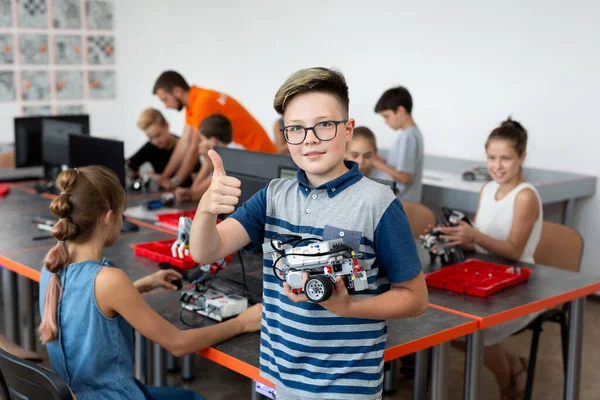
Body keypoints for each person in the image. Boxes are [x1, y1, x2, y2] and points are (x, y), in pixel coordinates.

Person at [188, 67, 428, 399]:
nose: (309, 138)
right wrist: (205, 210)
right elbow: (205, 251)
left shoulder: (378, 203)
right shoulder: (273, 197)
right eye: (296, 129)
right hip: (279, 377)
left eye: (324, 125)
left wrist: (348, 308)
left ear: (347, 130)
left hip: (345, 387)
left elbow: (416, 298)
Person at [38, 166, 262, 400]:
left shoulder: (51, 266)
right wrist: (241, 323)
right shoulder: (108, 281)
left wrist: (139, 286)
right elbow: (179, 344)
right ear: (108, 217)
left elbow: (83, 310)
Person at [438, 117, 542, 399]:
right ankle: (512, 368)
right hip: (485, 276)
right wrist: (455, 236)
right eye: (491, 157)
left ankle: (509, 380)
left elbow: (513, 251)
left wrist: (474, 236)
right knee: (443, 326)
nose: (496, 165)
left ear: (521, 157)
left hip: (518, 285)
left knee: (472, 334)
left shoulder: (525, 196)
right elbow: (482, 242)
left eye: (505, 158)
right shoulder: (488, 189)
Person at [152, 71, 276, 190]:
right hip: (252, 158)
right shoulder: (194, 103)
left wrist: (175, 182)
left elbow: (193, 147)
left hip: (258, 160)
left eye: (165, 99)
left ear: (177, 91)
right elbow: (184, 142)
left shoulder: (202, 102)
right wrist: (165, 177)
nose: (166, 106)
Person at [175, 114, 244, 202]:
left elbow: (195, 193)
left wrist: (207, 161)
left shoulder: (227, 159)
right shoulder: (237, 150)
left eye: (201, 140)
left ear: (213, 141)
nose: (199, 144)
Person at [373, 86, 424, 203]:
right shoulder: (412, 133)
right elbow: (401, 166)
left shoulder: (408, 136)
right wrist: (384, 162)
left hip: (404, 202)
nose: (385, 122)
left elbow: (405, 178)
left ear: (401, 110)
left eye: (387, 116)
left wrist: (376, 163)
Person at [126, 107, 196, 187]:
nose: (155, 141)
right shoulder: (150, 147)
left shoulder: (187, 147)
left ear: (166, 126)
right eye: (150, 137)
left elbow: (195, 177)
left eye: (158, 135)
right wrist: (148, 175)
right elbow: (129, 164)